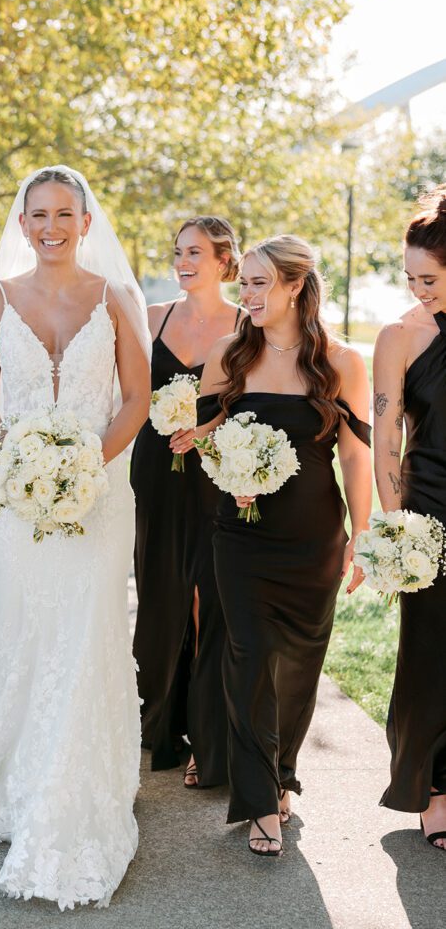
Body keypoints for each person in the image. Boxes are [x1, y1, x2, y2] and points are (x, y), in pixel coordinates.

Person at [0, 166, 151, 909]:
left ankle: (73, 787)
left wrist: (86, 465)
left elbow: (135, 398)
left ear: (86, 222)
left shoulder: (116, 299)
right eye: (38, 214)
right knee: (21, 626)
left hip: (98, 496)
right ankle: (10, 776)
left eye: (64, 213)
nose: (51, 225)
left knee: (85, 631)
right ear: (21, 223)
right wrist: (24, 464)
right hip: (16, 502)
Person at [196, 234, 371, 856]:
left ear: (295, 285)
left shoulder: (342, 361)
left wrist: (363, 531)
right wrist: (226, 467)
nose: (246, 296)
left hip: (314, 538)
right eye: (242, 283)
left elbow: (354, 452)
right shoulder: (228, 355)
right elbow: (203, 438)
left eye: (258, 283)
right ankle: (260, 801)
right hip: (240, 536)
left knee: (298, 664)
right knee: (250, 654)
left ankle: (282, 772)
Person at [131, 216, 241, 785]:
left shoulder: (248, 324)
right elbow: (124, 394)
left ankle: (209, 734)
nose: (182, 261)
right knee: (161, 594)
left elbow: (260, 403)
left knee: (212, 600)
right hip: (156, 473)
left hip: (220, 476)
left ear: (225, 260)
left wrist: (213, 422)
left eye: (195, 251)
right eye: (177, 251)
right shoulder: (151, 319)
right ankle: (160, 725)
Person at [372, 187, 446, 850]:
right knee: (428, 656)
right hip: (430, 512)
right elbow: (384, 435)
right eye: (408, 278)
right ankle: (432, 789)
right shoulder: (398, 335)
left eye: (427, 278)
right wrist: (397, 530)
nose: (415, 289)